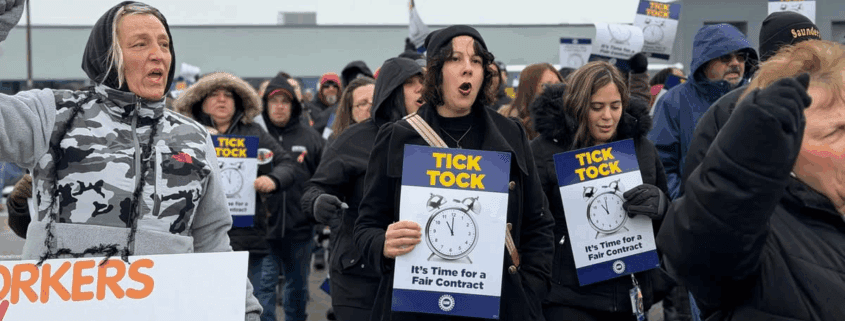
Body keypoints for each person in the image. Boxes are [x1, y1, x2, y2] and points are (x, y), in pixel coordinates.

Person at [0, 2, 261, 319]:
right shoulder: (52, 113)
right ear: (107, 57)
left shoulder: (195, 137)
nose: (158, 54)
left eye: (164, 44)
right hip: (64, 308)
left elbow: (212, 238)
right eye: (141, 44)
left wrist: (245, 308)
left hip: (166, 308)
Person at [353, 25, 555, 320]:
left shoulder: (510, 134)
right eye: (455, 59)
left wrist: (531, 287)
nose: (467, 70)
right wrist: (381, 243)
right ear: (435, 71)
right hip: (418, 307)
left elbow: (539, 223)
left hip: (500, 306)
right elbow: (366, 225)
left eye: (476, 61)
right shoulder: (398, 136)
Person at [658, 39, 845, 321]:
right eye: (837, 131)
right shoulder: (755, 234)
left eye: (739, 58)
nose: (734, 65)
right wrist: (743, 171)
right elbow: (700, 246)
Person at [529, 61, 668, 320]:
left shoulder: (642, 149)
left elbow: (668, 221)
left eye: (615, 106)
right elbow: (532, 226)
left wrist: (661, 206)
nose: (607, 116)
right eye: (597, 107)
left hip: (630, 292)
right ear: (579, 106)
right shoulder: (545, 151)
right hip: (568, 298)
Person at [172, 71, 304, 321]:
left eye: (228, 96)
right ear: (201, 100)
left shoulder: (254, 132)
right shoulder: (188, 132)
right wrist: (190, 159)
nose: (222, 100)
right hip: (198, 238)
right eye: (214, 94)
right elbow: (170, 163)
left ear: (238, 102)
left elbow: (287, 164)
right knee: (206, 306)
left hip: (248, 238)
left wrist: (272, 180)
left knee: (256, 305)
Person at [302, 56, 423, 321]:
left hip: (418, 271)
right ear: (391, 90)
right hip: (360, 274)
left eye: (424, 81)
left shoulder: (438, 139)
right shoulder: (353, 139)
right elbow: (313, 189)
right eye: (410, 83)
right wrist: (318, 202)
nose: (420, 88)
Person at [681, 11, 821, 195]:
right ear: (775, 58)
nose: (815, 60)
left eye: (818, 49)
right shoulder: (728, 110)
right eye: (801, 53)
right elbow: (698, 193)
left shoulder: (833, 103)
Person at [647, 24, 757, 200]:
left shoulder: (756, 97)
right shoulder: (673, 102)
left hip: (748, 212)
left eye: (741, 57)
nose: (735, 63)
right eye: (725, 57)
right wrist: (684, 204)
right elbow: (660, 164)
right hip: (694, 213)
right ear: (705, 61)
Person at [251, 73, 325, 321]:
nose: (279, 106)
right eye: (274, 101)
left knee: (297, 290)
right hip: (265, 229)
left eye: (285, 101)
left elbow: (322, 179)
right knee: (264, 291)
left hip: (300, 229)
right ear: (266, 105)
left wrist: (315, 214)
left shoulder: (311, 137)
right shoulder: (255, 137)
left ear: (293, 105)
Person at [498, 63, 563, 139]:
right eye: (545, 86)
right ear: (529, 89)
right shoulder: (506, 121)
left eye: (558, 84)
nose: (554, 89)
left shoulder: (565, 119)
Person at [327, 77, 376, 143]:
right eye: (363, 103)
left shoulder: (392, 137)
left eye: (375, 101)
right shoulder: (337, 145)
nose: (371, 108)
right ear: (350, 111)